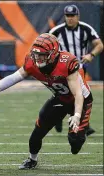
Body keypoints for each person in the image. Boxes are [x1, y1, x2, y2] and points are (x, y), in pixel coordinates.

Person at [0, 33, 93, 169]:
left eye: (42, 54)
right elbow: (13, 78)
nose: (38, 57)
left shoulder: (66, 62)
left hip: (81, 101)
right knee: (37, 131)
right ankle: (32, 160)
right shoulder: (32, 62)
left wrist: (77, 115)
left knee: (75, 143)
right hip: (60, 98)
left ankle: (81, 129)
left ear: (53, 53)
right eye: (36, 53)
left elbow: (78, 94)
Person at [49, 4, 103, 135]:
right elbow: (47, 46)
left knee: (80, 94)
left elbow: (99, 45)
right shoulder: (57, 31)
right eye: (67, 16)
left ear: (77, 16)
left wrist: (91, 55)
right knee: (64, 95)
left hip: (79, 69)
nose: (70, 18)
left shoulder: (85, 28)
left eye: (72, 16)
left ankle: (83, 124)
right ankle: (60, 117)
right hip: (61, 69)